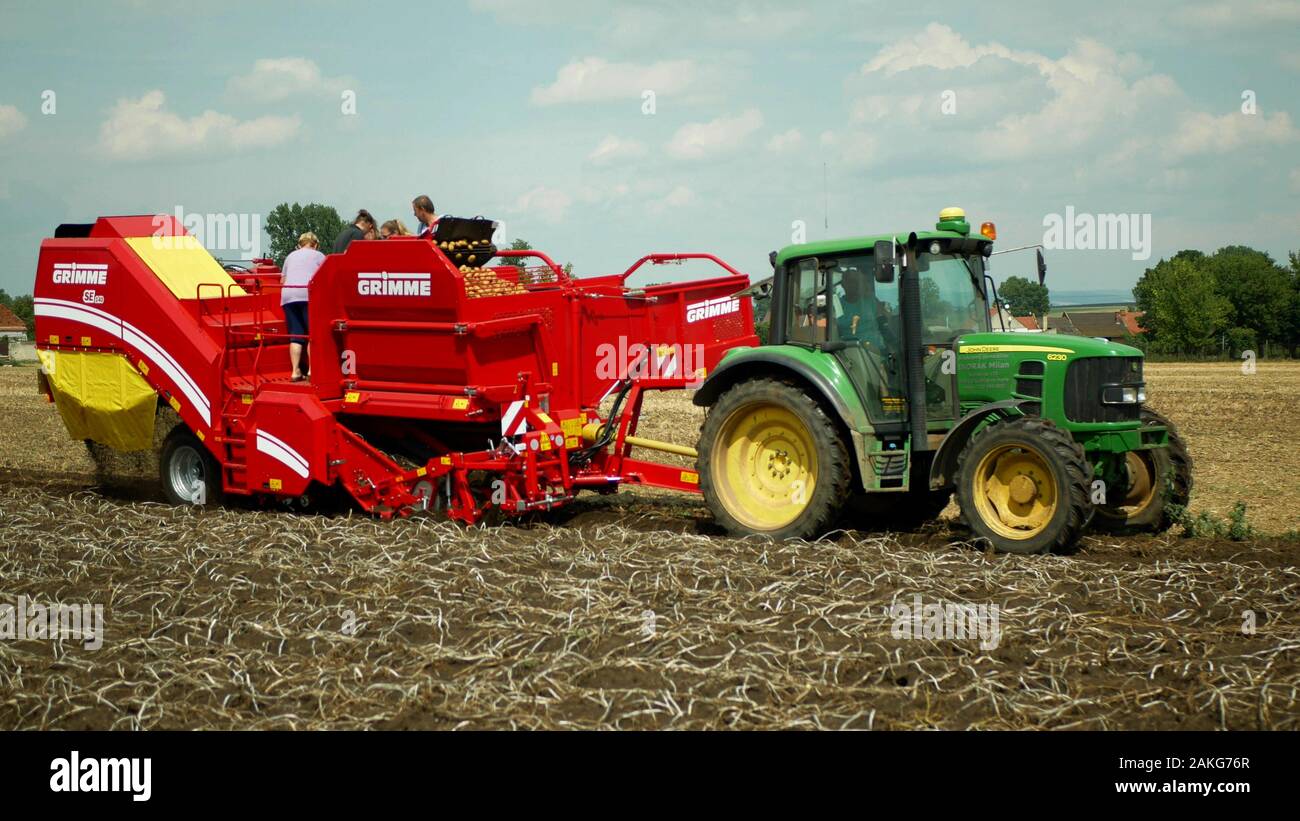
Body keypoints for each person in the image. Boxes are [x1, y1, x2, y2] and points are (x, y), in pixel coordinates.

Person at [280, 232, 325, 381]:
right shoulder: (319, 255)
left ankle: (295, 371)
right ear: (316, 244)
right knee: (313, 335)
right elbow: (325, 276)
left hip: (288, 296)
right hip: (308, 295)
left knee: (296, 335)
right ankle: (312, 370)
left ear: (299, 244)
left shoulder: (290, 256)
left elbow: (282, 280)